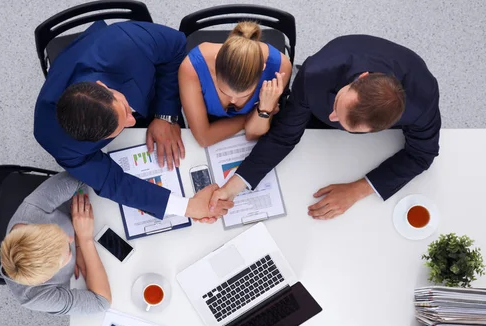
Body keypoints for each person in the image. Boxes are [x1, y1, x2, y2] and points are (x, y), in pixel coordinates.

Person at [209, 35, 441, 220]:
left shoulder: (423, 100)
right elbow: (284, 135)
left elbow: (422, 155)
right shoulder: (316, 73)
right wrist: (232, 187)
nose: (331, 116)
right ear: (360, 78)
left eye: (341, 122)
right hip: (315, 104)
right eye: (338, 104)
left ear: (379, 129)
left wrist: (357, 189)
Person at [34, 21, 232, 223]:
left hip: (137, 75)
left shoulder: (127, 42)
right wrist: (187, 207)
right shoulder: (56, 140)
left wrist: (164, 116)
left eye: (125, 109)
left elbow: (176, 46)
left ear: (103, 86)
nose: (132, 121)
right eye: (120, 127)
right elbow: (113, 183)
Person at [0, 172, 111, 315]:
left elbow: (82, 175)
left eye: (60, 233)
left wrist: (78, 243)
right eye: (67, 251)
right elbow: (101, 303)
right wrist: (85, 240)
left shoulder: (33, 210)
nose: (70, 239)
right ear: (47, 278)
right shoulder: (34, 297)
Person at [178, 21, 292, 147]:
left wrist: (263, 110)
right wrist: (256, 114)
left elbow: (252, 135)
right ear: (216, 63)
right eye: (224, 91)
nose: (233, 100)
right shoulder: (191, 68)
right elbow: (204, 138)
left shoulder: (280, 68)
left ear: (262, 69)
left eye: (244, 95)